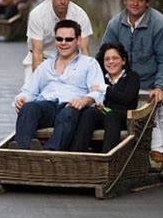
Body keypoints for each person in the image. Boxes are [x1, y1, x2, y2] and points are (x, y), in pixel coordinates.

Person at [101, 0, 163, 179]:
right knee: (145, 119)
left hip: (161, 76)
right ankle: (155, 156)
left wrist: (160, 86)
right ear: (125, 0)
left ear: (147, 3)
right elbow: (104, 53)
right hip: (133, 80)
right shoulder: (115, 24)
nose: (135, 3)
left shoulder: (160, 24)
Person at [11, 19, 105, 150]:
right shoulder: (46, 65)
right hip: (48, 105)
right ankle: (22, 151)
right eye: (59, 39)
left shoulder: (89, 63)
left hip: (72, 107)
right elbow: (29, 90)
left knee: (67, 114)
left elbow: (99, 91)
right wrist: (22, 98)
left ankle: (49, 152)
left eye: (68, 39)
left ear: (78, 40)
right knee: (29, 108)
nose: (63, 43)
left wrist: (84, 100)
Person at [22, 0, 93, 84]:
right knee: (29, 97)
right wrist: (38, 83)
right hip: (42, 58)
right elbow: (37, 53)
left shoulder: (80, 15)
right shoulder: (37, 14)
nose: (62, 0)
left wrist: (89, 79)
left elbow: (84, 50)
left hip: (71, 62)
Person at [71, 43, 140, 153]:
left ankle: (108, 158)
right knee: (89, 113)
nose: (111, 62)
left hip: (125, 117)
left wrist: (105, 89)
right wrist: (98, 104)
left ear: (123, 61)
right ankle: (77, 154)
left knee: (111, 115)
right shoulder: (101, 78)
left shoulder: (132, 77)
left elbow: (127, 98)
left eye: (115, 58)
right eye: (107, 59)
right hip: (105, 114)